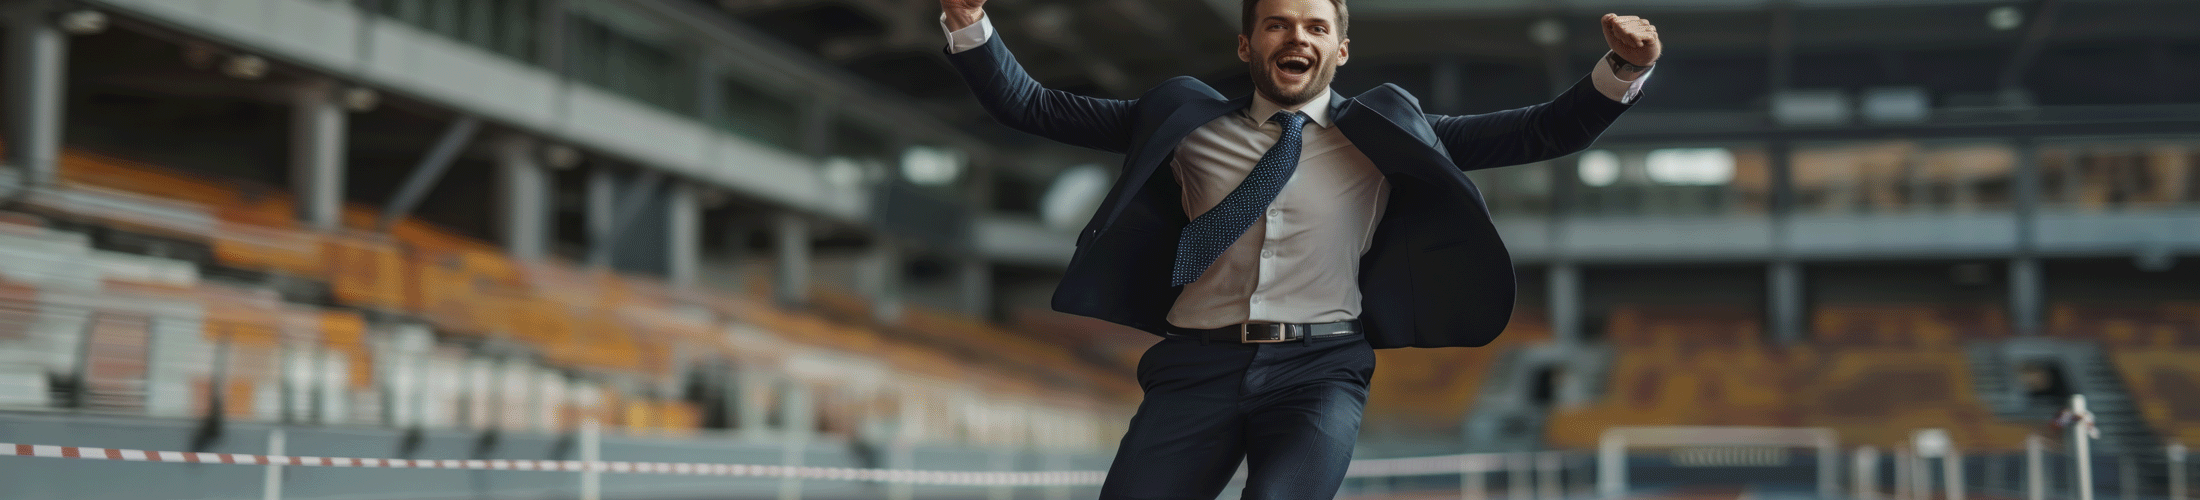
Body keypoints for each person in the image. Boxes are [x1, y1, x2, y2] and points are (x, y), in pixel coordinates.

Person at [936, 0, 1660, 497]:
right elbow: (1031, 105)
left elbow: (1539, 130)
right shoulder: (1182, 119)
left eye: (1315, 25)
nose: (1297, 37)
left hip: (1321, 365)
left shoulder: (1389, 131)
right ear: (1248, 44)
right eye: (1277, 24)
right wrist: (969, 23)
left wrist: (1620, 71)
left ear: (1340, 49)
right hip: (1196, 364)